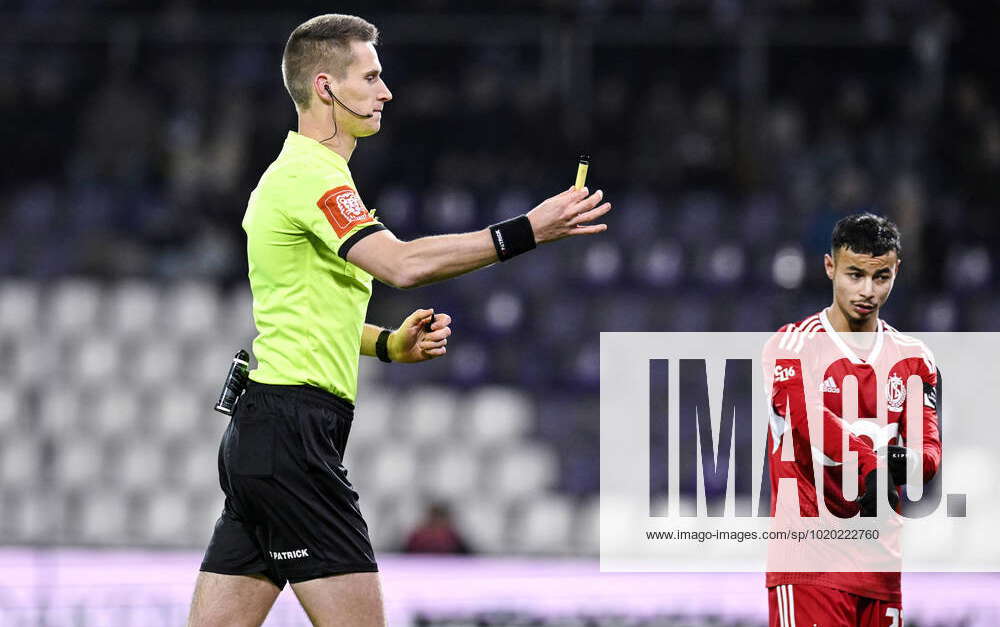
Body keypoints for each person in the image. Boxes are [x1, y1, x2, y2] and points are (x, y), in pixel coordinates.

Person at [186, 13, 612, 627]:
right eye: (372, 77)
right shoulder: (311, 177)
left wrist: (387, 345)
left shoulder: (304, 177)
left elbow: (303, 321)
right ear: (327, 86)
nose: (386, 92)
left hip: (267, 434)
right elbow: (401, 264)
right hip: (293, 435)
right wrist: (528, 231)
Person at [762, 213, 941, 627]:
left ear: (897, 271)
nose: (867, 291)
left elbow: (928, 451)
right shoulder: (791, 346)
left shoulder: (914, 358)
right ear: (830, 267)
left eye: (881, 277)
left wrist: (904, 463)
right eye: (854, 275)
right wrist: (872, 464)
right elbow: (809, 421)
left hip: (881, 569)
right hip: (810, 568)